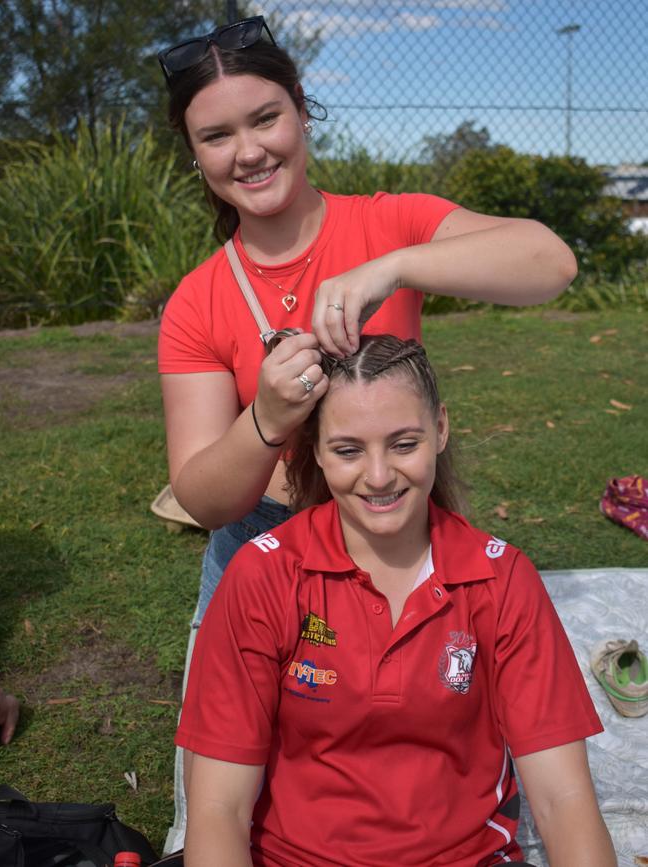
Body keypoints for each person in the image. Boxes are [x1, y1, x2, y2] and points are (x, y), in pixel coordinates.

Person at [156, 14, 578, 852]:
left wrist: (400, 263)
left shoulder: (391, 222)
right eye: (216, 134)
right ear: (194, 152)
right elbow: (204, 496)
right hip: (258, 562)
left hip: (396, 540)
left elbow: (551, 264)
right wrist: (268, 421)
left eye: (266, 117)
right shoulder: (198, 302)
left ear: (304, 112)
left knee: (424, 773)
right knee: (223, 810)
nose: (248, 150)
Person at [176, 334, 616, 867]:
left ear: (441, 430)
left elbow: (563, 800)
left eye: (404, 444)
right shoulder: (263, 576)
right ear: (314, 448)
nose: (380, 476)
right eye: (348, 450)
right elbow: (219, 809)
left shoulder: (501, 579)